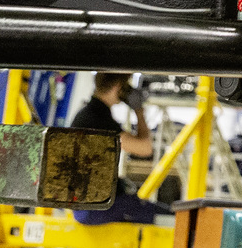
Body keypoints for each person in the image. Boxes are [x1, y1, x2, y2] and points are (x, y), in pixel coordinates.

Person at [70, 73, 171, 224]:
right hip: (95, 207)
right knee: (167, 219)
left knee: (144, 206)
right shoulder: (96, 119)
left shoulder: (91, 113)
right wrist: (139, 111)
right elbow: (145, 148)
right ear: (117, 86)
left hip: (92, 204)